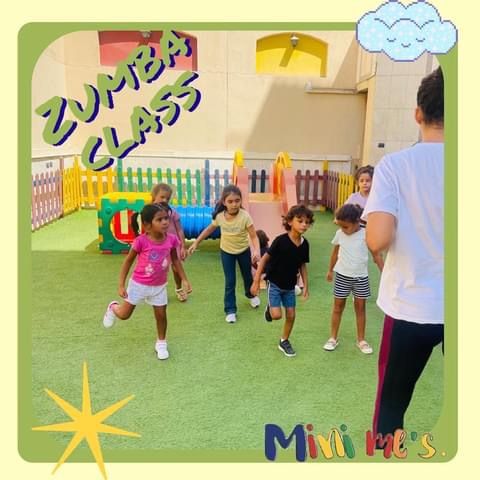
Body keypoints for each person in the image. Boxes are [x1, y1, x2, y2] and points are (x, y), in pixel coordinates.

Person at [362, 67, 444, 441]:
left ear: (418, 113)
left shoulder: (396, 166)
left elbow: (377, 239)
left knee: (391, 406)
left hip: (410, 306)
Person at [103, 203, 192, 360]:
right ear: (147, 225)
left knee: (161, 315)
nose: (165, 222)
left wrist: (184, 279)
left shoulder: (171, 240)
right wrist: (121, 284)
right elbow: (128, 262)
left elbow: (175, 260)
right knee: (124, 315)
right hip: (138, 285)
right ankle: (113, 307)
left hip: (159, 286)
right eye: (159, 219)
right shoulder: (141, 241)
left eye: (166, 218)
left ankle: (161, 343)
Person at [187, 185, 261, 323]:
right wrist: (196, 243)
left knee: (247, 276)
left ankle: (250, 295)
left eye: (237, 201)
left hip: (243, 251)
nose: (234, 204)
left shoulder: (245, 216)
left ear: (241, 201)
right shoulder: (220, 216)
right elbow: (208, 230)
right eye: (230, 201)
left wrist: (256, 250)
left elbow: (254, 236)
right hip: (227, 252)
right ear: (224, 202)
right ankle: (230, 310)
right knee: (230, 281)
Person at [251, 205, 313, 357]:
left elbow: (302, 265)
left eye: (307, 222)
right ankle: (270, 308)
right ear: (290, 222)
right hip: (275, 283)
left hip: (290, 286)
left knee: (291, 315)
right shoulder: (280, 241)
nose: (304, 224)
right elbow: (264, 259)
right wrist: (256, 280)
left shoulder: (305, 245)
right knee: (277, 316)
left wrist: (305, 285)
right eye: (300, 221)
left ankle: (284, 341)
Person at [324, 204, 383, 354]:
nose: (343, 229)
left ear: (357, 222)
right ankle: (333, 338)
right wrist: (330, 270)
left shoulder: (366, 234)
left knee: (360, 308)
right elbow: (334, 253)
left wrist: (384, 273)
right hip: (342, 276)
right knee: (338, 307)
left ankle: (361, 340)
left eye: (346, 226)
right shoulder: (340, 234)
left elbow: (376, 254)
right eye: (341, 226)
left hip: (361, 278)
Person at [150, 183, 189, 302]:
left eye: (167, 198)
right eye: (162, 197)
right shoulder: (149, 212)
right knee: (156, 268)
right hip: (157, 245)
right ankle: (156, 291)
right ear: (154, 196)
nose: (165, 200)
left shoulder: (172, 212)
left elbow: (179, 229)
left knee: (176, 268)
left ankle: (179, 288)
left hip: (173, 244)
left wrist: (182, 246)